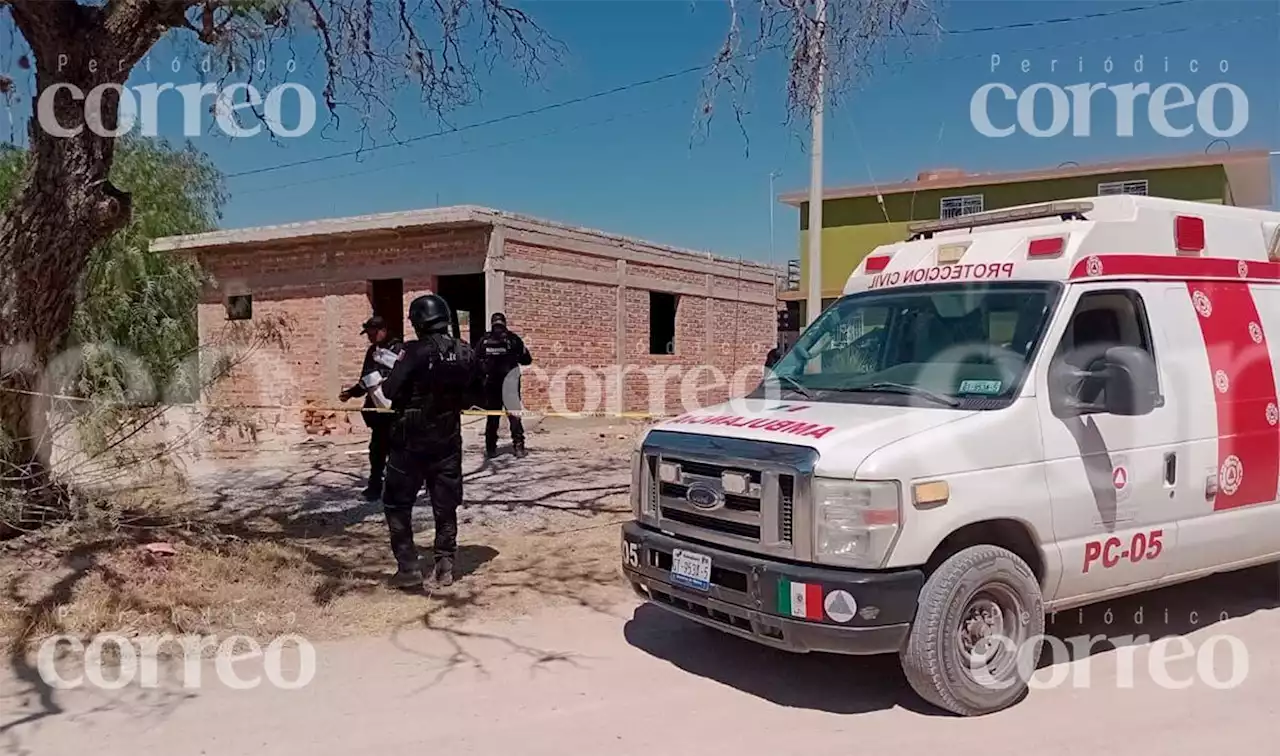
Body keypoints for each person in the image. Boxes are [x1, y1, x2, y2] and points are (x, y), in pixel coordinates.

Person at [379, 294, 482, 589]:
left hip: (409, 442)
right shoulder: (464, 351)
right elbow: (476, 394)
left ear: (419, 322)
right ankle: (445, 565)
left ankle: (408, 568)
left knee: (397, 503)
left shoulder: (413, 352)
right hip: (448, 438)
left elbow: (388, 390)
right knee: (445, 503)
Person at [338, 315, 404, 500]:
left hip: (396, 412)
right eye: (368, 334)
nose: (370, 337)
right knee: (377, 452)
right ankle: (374, 488)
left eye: (373, 333)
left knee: (399, 452)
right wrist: (351, 393)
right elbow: (365, 380)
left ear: (383, 331)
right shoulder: (372, 352)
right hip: (377, 412)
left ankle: (399, 489)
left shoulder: (400, 350)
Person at [478, 312, 533, 458]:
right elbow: (527, 360)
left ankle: (490, 449)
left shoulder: (484, 340)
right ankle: (519, 447)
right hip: (510, 384)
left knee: (492, 416)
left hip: (491, 385)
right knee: (514, 416)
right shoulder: (513, 339)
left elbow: (475, 360)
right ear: (504, 322)